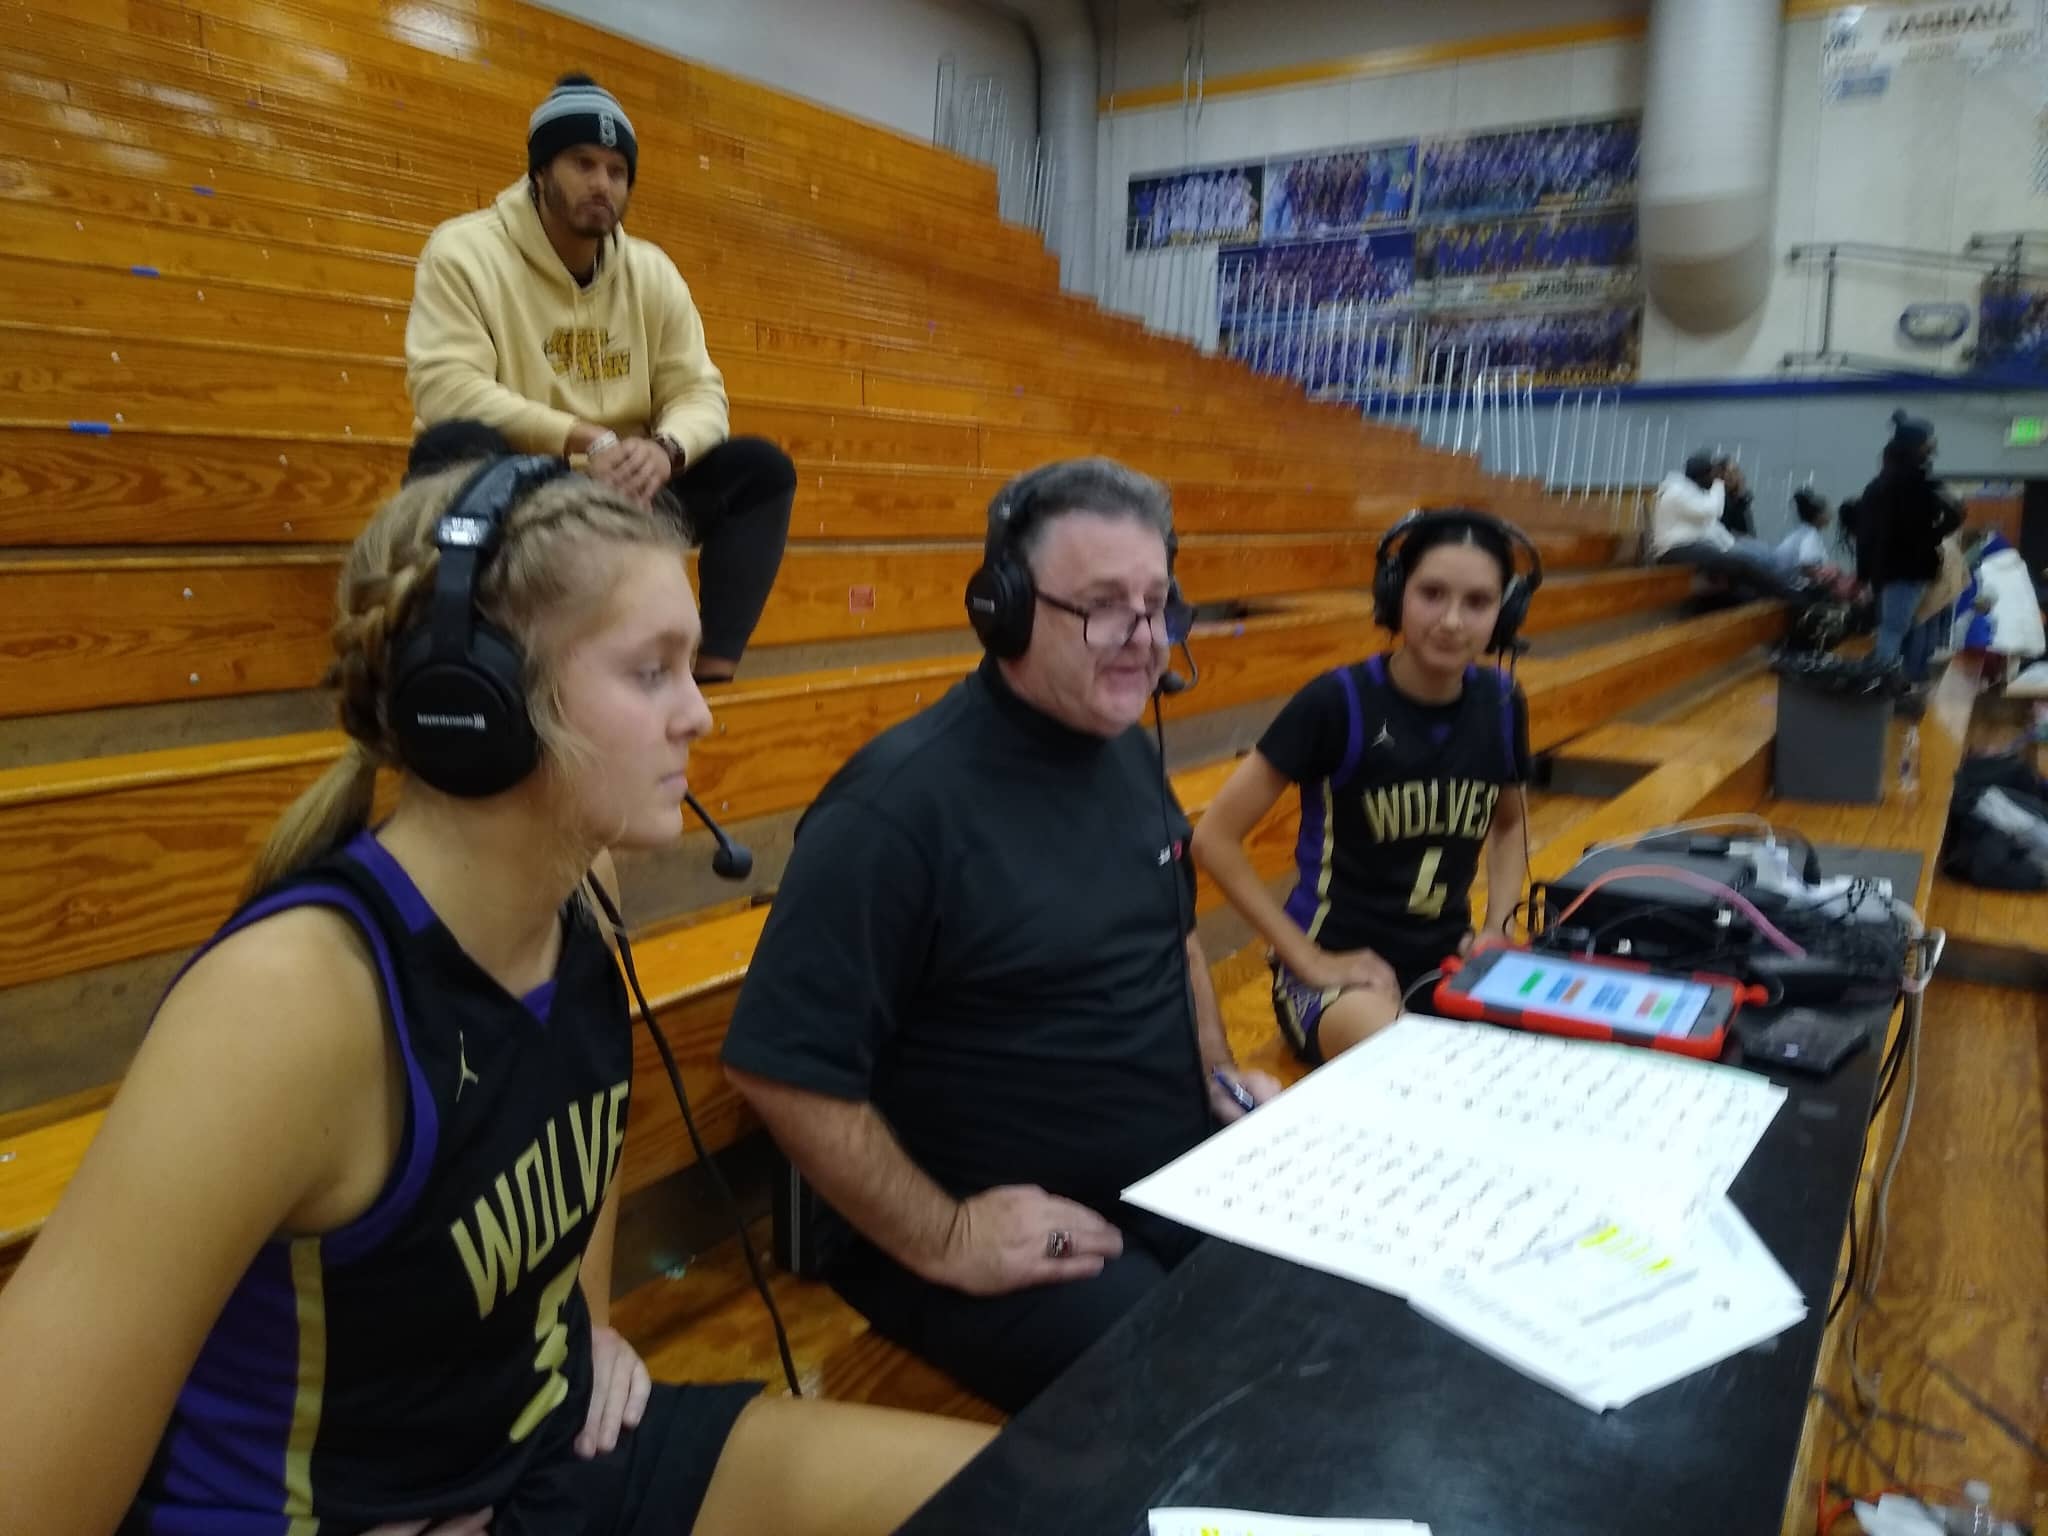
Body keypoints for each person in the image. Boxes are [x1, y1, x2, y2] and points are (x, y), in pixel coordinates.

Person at [0, 459, 989, 1536]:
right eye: (651, 671)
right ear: (477, 702)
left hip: (543, 1450)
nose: (700, 715)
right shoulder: (289, 1005)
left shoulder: (584, 885)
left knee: (1047, 1497)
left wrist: (584, 1329)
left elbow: (569, 1139)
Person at [720, 458, 1282, 1413]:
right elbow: (779, 1069)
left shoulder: (1124, 749)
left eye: (1158, 605)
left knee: (1336, 1301)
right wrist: (947, 1237)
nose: (1147, 640)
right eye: (1104, 607)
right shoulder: (895, 810)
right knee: (1191, 1397)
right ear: (1005, 608)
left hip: (1168, 1177)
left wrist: (1217, 1075)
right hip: (1001, 1234)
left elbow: (1174, 938)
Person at [404, 73, 795, 684]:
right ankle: (467, 661)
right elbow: (444, 388)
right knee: (449, 448)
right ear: (540, 172)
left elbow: (699, 392)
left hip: (627, 487)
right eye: (582, 163)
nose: (601, 184)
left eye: (616, 171)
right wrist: (584, 438)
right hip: (525, 484)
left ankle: (709, 672)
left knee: (760, 471)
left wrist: (665, 451)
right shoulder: (463, 252)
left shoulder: (652, 271)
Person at [1192, 509, 1533, 1064]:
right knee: (1421, 1067)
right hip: (1338, 980)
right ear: (1396, 593)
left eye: (1477, 602)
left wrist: (1497, 925)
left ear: (1507, 611)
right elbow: (1213, 838)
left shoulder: (1501, 702)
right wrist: (1307, 958)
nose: (1452, 620)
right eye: (1432, 594)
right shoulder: (1338, 702)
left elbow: (1510, 822)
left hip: (1446, 963)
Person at [1859, 410, 1964, 686]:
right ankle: (1883, 690)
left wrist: (1864, 575)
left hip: (1892, 571)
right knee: (1894, 632)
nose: (1932, 448)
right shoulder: (1913, 486)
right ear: (1917, 447)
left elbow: (1867, 535)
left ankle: (1891, 688)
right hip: (1905, 571)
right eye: (1928, 443)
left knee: (1896, 631)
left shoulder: (1882, 485)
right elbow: (1938, 523)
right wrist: (1941, 527)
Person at [1650, 451, 1810, 602]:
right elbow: (1713, 511)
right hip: (1674, 549)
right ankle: (1794, 598)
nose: (1714, 479)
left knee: (1749, 561)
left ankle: (1788, 596)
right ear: (1701, 476)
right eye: (1711, 476)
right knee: (1740, 563)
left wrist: (1729, 544)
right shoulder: (1677, 493)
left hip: (1693, 544)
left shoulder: (1691, 490)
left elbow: (1711, 525)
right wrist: (1719, 483)